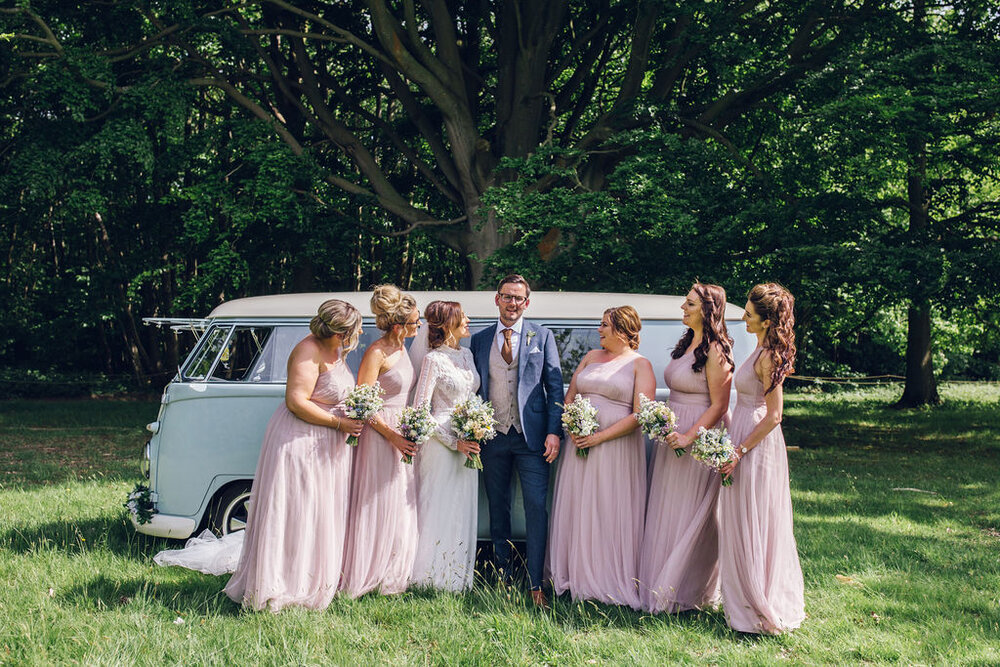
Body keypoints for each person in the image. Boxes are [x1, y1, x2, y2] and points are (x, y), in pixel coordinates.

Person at [223, 299, 365, 611]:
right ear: (340, 332)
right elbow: (296, 401)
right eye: (354, 330)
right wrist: (339, 422)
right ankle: (279, 584)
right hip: (299, 441)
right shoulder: (308, 349)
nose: (357, 335)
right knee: (296, 510)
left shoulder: (336, 350)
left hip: (327, 443)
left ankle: (310, 579)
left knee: (316, 512)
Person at [547, 306, 656, 609]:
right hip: (579, 446)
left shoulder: (639, 365)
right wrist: (572, 424)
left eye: (605, 325)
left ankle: (605, 579)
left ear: (622, 330)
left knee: (607, 509)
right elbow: (568, 399)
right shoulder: (590, 357)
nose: (599, 330)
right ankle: (573, 574)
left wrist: (598, 437)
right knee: (578, 507)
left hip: (615, 450)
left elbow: (639, 414)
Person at [639, 283, 734, 613]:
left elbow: (719, 405)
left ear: (707, 310)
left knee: (689, 511)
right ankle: (660, 582)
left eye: (690, 303)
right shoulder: (686, 345)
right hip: (672, 434)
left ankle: (687, 589)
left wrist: (689, 436)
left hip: (697, 436)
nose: (683, 307)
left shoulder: (716, 352)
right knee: (667, 507)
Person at [470, 274, 564, 607]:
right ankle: (503, 578)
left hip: (532, 439)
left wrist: (554, 431)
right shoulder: (479, 340)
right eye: (507, 297)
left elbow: (555, 387)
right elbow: (473, 389)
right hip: (492, 437)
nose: (512, 303)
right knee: (498, 508)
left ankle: (536, 584)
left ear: (527, 303)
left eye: (518, 298)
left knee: (537, 508)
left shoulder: (544, 335)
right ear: (497, 299)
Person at [717, 283, 805, 634]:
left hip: (756, 443)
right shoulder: (757, 350)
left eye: (750, 315)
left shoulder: (769, 357)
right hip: (741, 434)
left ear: (768, 321)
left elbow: (774, 416)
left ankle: (760, 600)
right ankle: (742, 597)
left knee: (756, 517)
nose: (744, 318)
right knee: (739, 517)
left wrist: (739, 450)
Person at [340, 286, 421, 597]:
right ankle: (367, 572)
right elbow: (362, 402)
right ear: (399, 325)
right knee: (376, 500)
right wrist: (392, 436)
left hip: (401, 432)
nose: (419, 326)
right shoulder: (377, 353)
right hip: (379, 435)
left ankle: (393, 571)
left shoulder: (403, 351)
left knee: (399, 500)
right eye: (415, 321)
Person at [409, 301, 481, 592]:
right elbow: (420, 410)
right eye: (462, 316)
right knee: (437, 505)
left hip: (469, 442)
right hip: (440, 444)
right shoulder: (433, 360)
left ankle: (456, 577)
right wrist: (454, 441)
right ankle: (428, 577)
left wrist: (477, 428)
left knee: (460, 506)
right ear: (448, 323)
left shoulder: (468, 354)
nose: (467, 319)